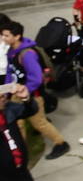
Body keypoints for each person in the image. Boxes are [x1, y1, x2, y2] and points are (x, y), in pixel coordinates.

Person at [1, 20, 70, 160]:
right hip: (17, 94)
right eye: (2, 35)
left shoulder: (27, 54)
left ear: (17, 36)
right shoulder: (11, 51)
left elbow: (36, 78)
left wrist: (24, 90)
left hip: (31, 96)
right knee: (18, 124)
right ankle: (21, 151)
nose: (3, 38)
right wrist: (7, 91)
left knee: (40, 123)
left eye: (6, 35)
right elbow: (10, 73)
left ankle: (61, 143)